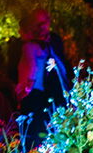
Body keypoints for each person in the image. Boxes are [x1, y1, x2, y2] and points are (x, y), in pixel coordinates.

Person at [15, 8, 68, 144]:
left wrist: (26, 89)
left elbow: (33, 68)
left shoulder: (32, 46)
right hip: (45, 94)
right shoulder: (46, 46)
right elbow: (61, 65)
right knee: (42, 128)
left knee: (33, 130)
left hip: (37, 93)